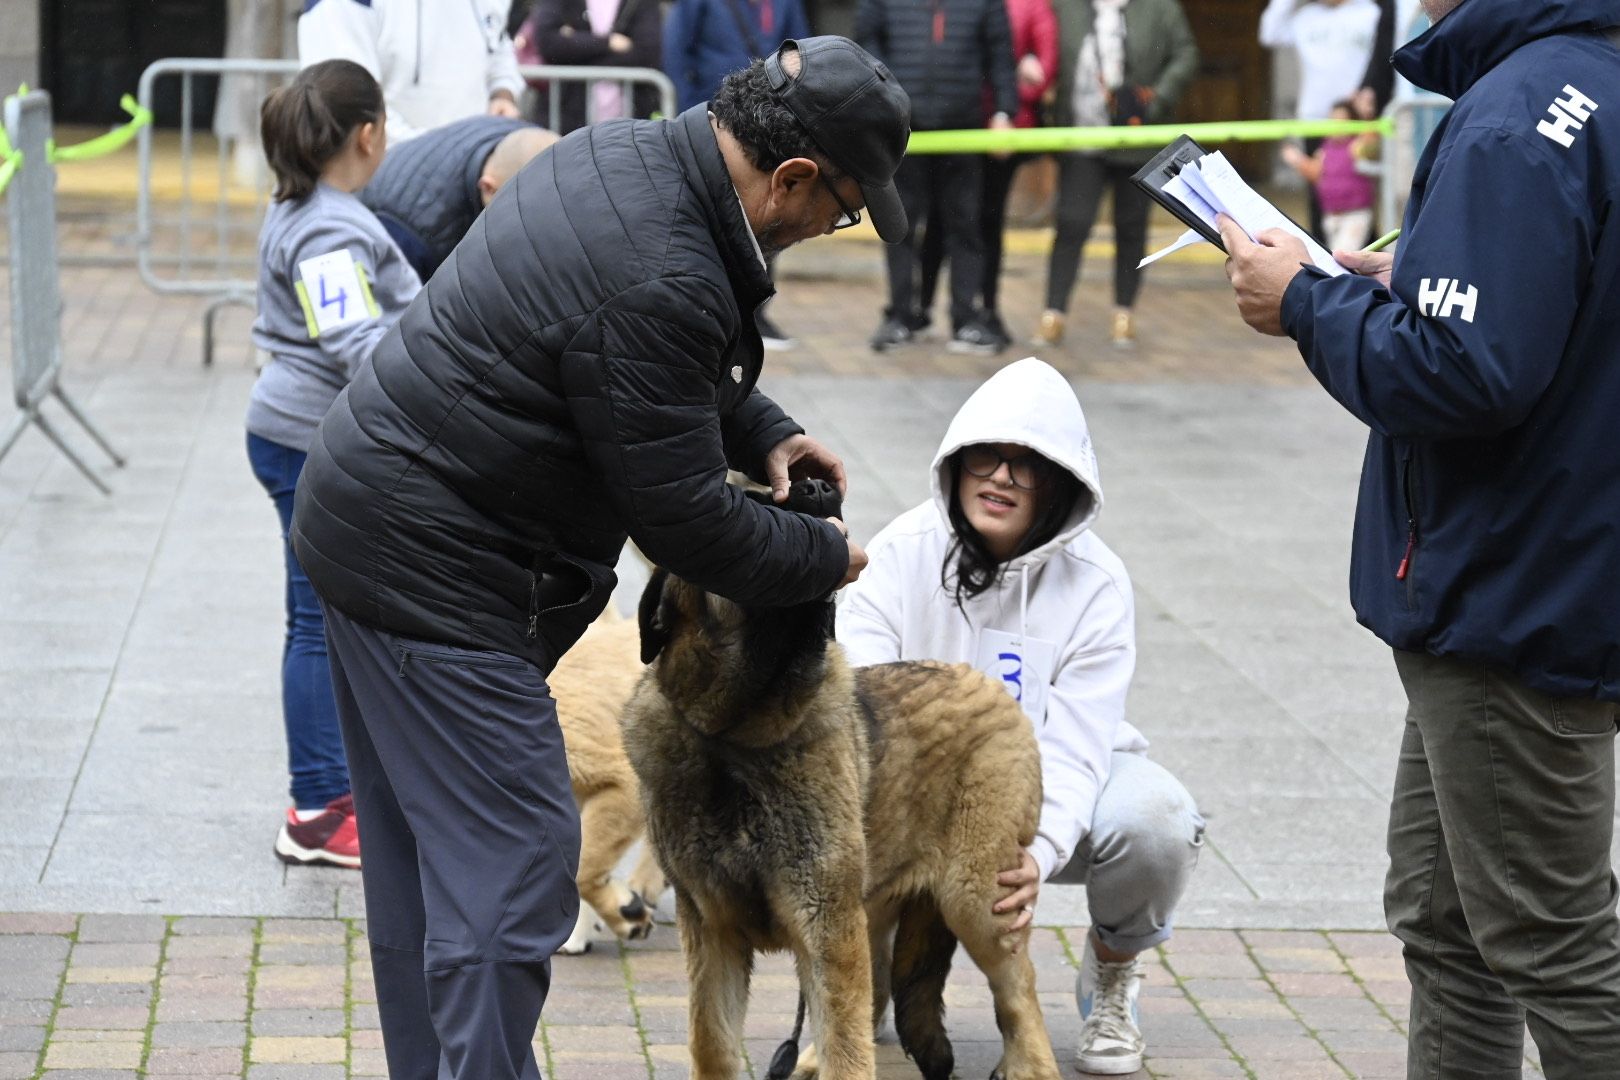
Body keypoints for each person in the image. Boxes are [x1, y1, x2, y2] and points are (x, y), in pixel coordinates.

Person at [288, 36, 909, 1080]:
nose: (828, 230)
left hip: (368, 521)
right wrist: (819, 554)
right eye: (841, 209)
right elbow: (685, 525)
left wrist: (757, 428)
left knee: (426, 871)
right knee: (524, 859)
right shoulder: (665, 267)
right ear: (793, 177)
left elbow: (635, 365)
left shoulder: (621, 157)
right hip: (432, 567)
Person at [1219, 1, 1620, 1075]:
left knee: (1552, 942)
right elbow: (1549, 315)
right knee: (1451, 925)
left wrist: (1304, 302)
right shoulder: (1589, 83)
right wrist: (1413, 282)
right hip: (1555, 566)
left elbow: (1462, 372)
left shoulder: (1516, 112)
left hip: (1511, 585)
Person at [837, 356, 1203, 1076]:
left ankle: (1111, 970)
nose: (1001, 477)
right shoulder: (896, 553)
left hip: (1042, 784)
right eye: (987, 456)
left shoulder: (1098, 584)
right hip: (908, 791)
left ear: (1060, 484)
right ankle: (867, 973)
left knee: (1157, 821)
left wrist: (1037, 857)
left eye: (1027, 465)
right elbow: (858, 713)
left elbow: (1076, 744)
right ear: (957, 460)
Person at [246, 60, 422, 870]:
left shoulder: (310, 208)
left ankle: (332, 792)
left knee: (316, 619)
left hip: (299, 433)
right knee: (314, 622)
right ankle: (317, 810)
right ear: (369, 133)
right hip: (308, 439)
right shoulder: (327, 228)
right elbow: (353, 344)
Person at [1029, 0, 1199, 350]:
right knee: (1072, 224)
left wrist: (1158, 98)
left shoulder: (1160, 8)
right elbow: (1041, 47)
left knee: (1132, 226)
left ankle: (1124, 313)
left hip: (1136, 136)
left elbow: (1186, 53)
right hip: (1081, 136)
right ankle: (1053, 313)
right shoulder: (1065, 7)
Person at [663, 0, 814, 349]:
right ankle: (704, 308)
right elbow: (676, 49)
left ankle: (755, 312)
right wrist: (692, 111)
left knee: (767, 211)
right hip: (714, 118)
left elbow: (801, 50)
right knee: (710, 212)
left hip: (773, 124)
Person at [917, 0, 1059, 350]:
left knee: (984, 223)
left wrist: (1007, 101)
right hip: (956, 121)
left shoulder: (1031, 6)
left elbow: (1043, 69)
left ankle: (986, 309)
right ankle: (922, 307)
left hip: (999, 133)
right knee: (937, 220)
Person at [360, 116, 559, 281]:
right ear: (488, 187)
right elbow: (398, 313)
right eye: (522, 213)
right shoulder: (407, 228)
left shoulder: (541, 151)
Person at [298, 0, 525, 143]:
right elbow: (346, 106)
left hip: (468, 174)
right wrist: (451, 155)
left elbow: (499, 46)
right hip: (379, 186)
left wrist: (502, 94)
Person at [1259, 0, 1380, 242]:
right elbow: (1268, 33)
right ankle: (1323, 260)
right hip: (1316, 119)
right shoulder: (1305, 16)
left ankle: (1365, 263)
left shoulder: (1370, 13)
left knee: (1358, 196)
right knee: (1321, 196)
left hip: (1353, 121)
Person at [525, 0, 664, 133]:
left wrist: (576, 47)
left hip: (630, 125)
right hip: (565, 119)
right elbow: (548, 43)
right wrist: (608, 42)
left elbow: (647, 53)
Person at [1278, 99, 1376, 252]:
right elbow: (1315, 173)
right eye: (1333, 120)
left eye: (1342, 121)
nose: (1336, 125)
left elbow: (1370, 142)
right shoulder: (1325, 150)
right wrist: (1298, 160)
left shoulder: (1355, 146)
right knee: (1340, 255)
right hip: (1331, 215)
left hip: (1354, 214)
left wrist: (1367, 117)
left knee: (1342, 255)